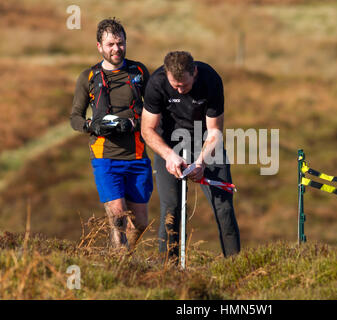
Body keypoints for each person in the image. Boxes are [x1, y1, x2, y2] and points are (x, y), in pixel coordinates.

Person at [141, 51, 240, 261]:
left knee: (223, 207)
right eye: (175, 86)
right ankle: (167, 270)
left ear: (194, 73)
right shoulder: (157, 83)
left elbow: (215, 131)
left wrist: (200, 162)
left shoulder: (210, 80)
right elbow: (147, 130)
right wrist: (169, 155)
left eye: (184, 85)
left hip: (204, 141)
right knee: (171, 208)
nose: (179, 89)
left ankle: (235, 264)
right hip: (169, 143)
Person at [70, 18, 152, 252]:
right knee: (117, 218)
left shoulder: (139, 71)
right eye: (110, 45)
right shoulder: (88, 77)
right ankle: (120, 264)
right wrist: (91, 126)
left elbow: (155, 111)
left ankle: (124, 256)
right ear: (99, 46)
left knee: (141, 223)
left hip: (137, 155)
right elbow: (74, 116)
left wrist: (133, 124)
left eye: (120, 43)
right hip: (105, 157)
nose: (116, 49)